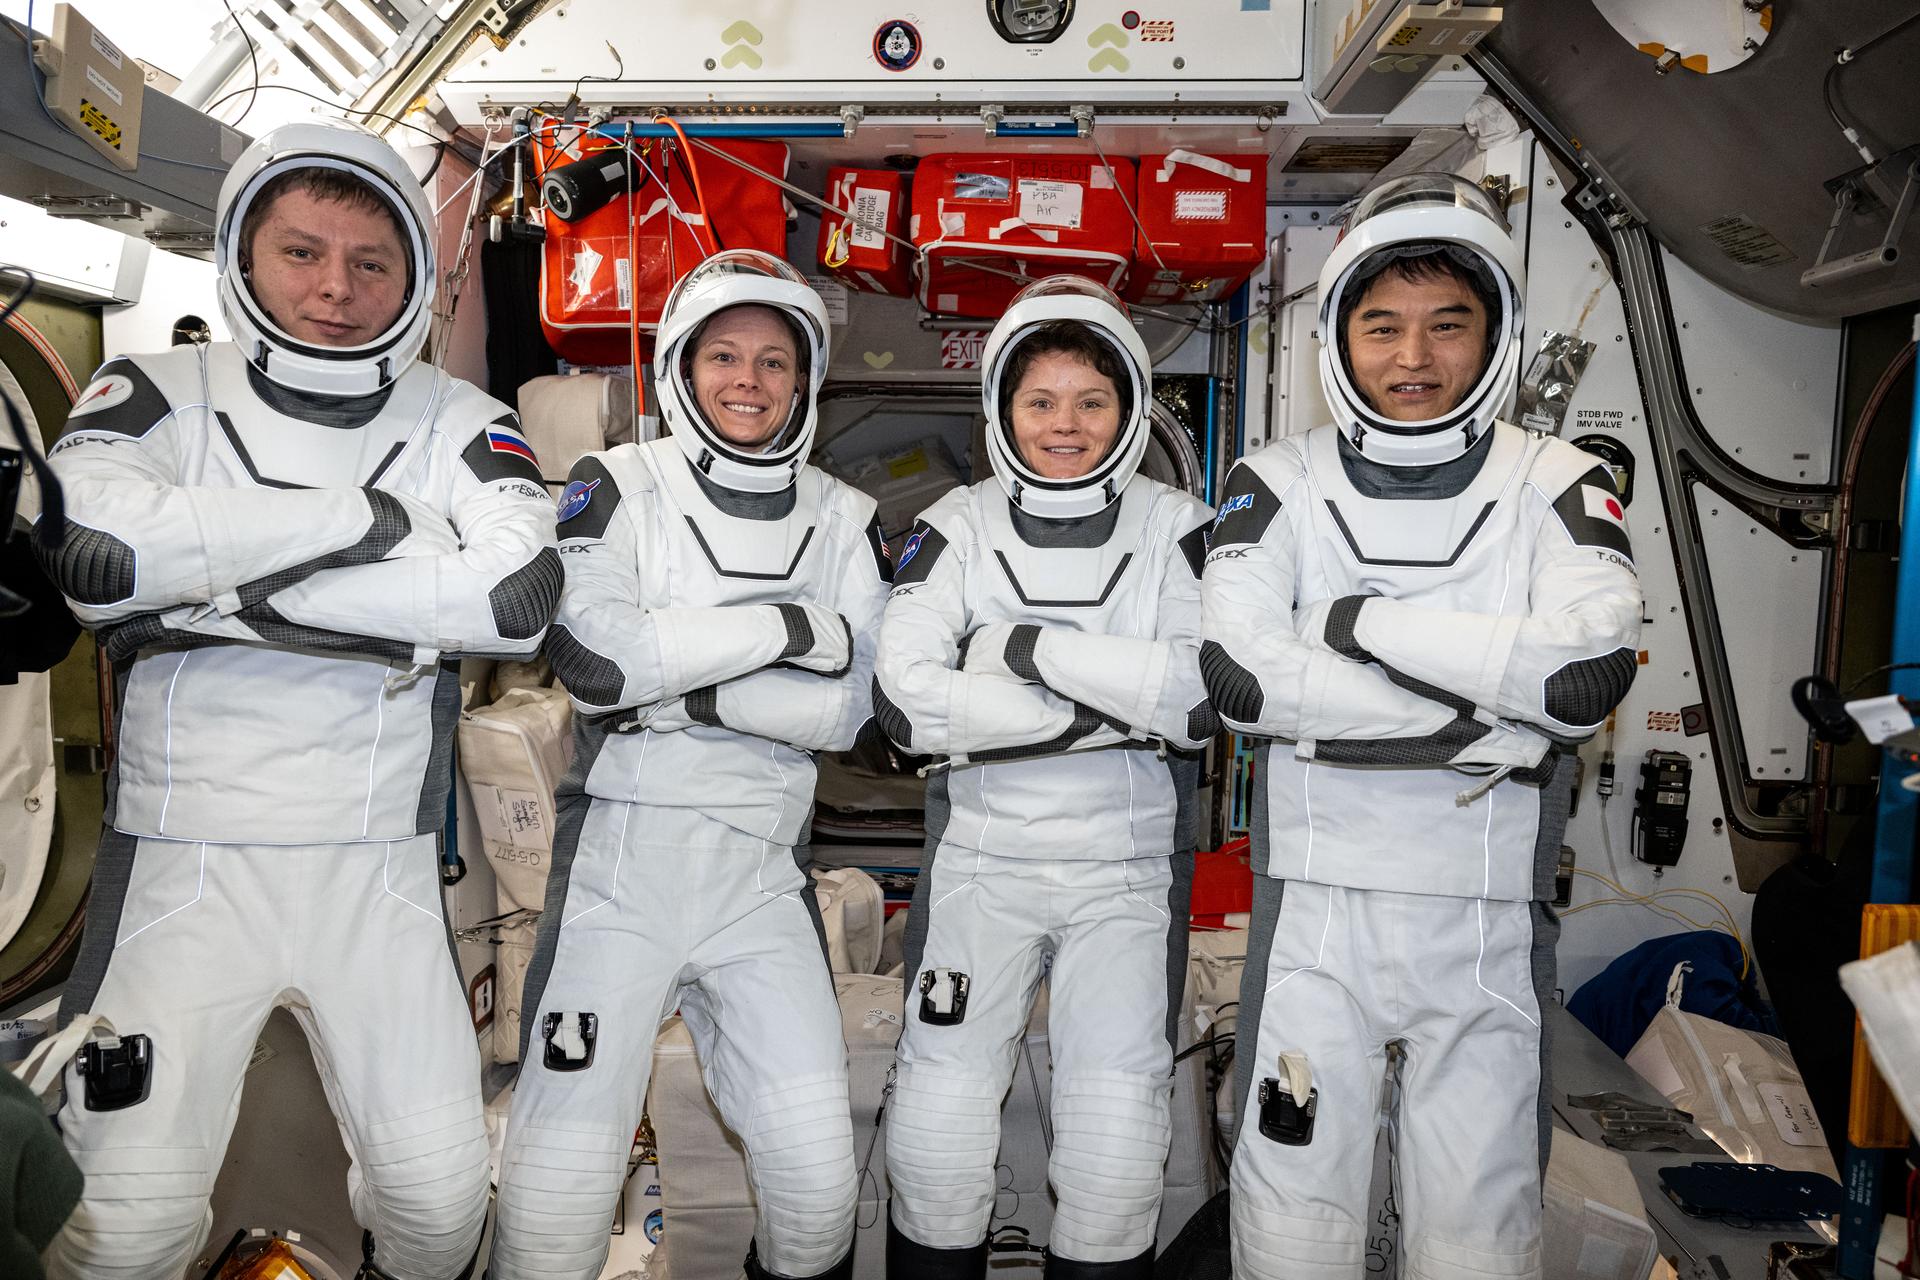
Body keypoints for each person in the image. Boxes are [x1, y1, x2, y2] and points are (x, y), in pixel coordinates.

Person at [36, 117, 561, 1280]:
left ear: (414, 277)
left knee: (436, 1205)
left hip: (373, 873)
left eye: (371, 263)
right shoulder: (155, 389)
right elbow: (96, 558)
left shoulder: (461, 421)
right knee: (119, 1225)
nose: (335, 290)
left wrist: (222, 594)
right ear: (244, 256)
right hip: (184, 868)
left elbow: (517, 599)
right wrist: (368, 524)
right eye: (302, 253)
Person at [1200, 172, 1642, 1279]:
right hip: (1317, 923)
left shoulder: (1560, 477)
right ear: (1339, 335)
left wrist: (1350, 621)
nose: (1413, 358)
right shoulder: (1276, 480)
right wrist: (1489, 698)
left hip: (1484, 929)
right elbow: (1243, 681)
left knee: (1479, 1242)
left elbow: (1587, 674)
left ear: (1493, 334)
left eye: (1448, 325)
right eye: (1383, 326)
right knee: (1290, 1223)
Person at [490, 249, 884, 1280]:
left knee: (816, 1185)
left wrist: (685, 679)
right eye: (722, 355)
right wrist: (796, 624)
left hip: (761, 875)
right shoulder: (616, 485)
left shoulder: (842, 516)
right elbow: (600, 663)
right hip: (620, 866)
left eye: (771, 360)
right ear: (682, 367)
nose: (746, 380)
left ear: (804, 380)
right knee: (556, 1182)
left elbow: (851, 712)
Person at [875, 276, 1216, 1278]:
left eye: (1091, 400)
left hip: (1126, 872)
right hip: (984, 862)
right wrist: (1115, 706)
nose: (1065, 424)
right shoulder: (956, 523)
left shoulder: (1181, 526)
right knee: (935, 1146)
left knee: (1114, 1160)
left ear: (1129, 409)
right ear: (1002, 411)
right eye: (1041, 400)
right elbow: (903, 706)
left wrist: (1014, 645)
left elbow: (1203, 699)